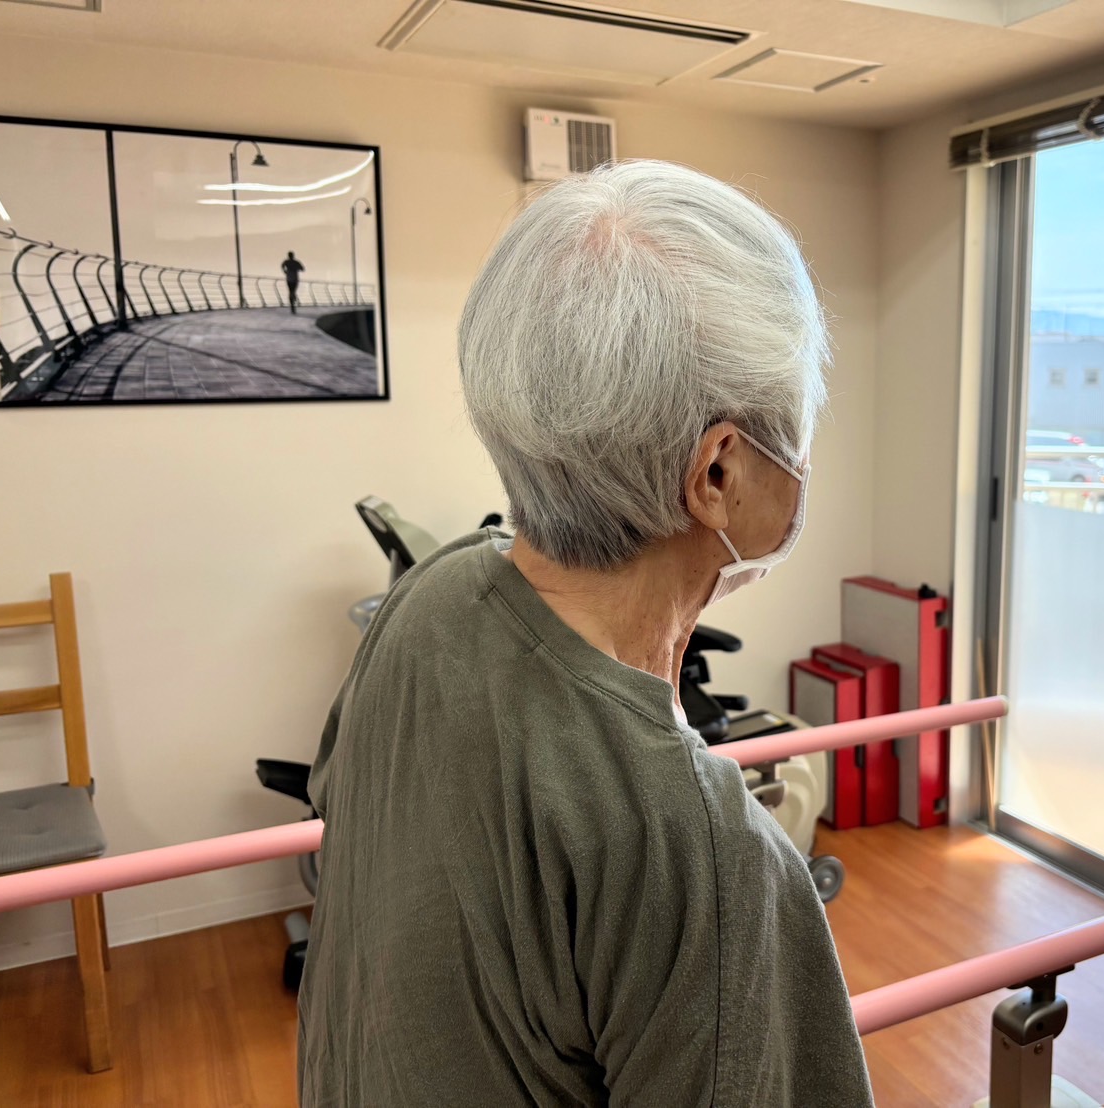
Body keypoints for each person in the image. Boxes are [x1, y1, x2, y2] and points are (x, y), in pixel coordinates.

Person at [297, 160, 874, 1107]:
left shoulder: (426, 602)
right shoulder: (700, 849)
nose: (805, 464)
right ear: (718, 473)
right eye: (799, 431)